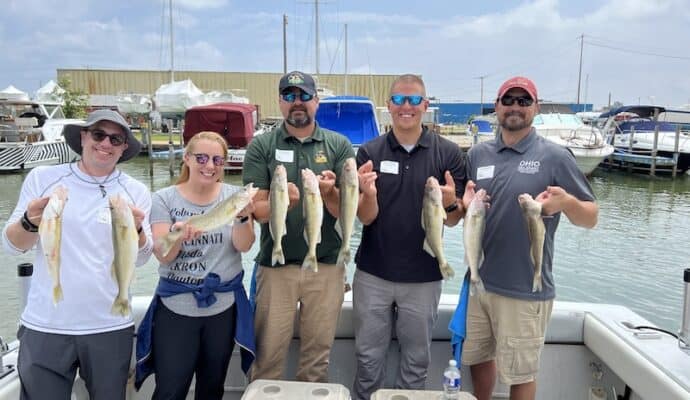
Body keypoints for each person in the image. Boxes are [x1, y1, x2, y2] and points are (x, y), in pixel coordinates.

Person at [461, 76, 599, 400]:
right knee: (478, 359)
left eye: (524, 101)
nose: (515, 107)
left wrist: (566, 203)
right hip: (479, 282)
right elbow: (463, 212)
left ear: (535, 108)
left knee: (521, 374)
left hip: (525, 289)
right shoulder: (478, 154)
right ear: (496, 106)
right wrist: (464, 206)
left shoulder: (555, 156)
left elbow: (591, 217)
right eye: (508, 100)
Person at [1, 109, 152, 400]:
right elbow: (12, 245)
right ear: (83, 137)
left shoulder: (135, 191)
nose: (105, 144)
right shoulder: (43, 178)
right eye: (98, 134)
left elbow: (143, 256)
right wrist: (30, 222)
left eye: (116, 138)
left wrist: (137, 229)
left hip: (109, 325)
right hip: (46, 324)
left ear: (123, 147)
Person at [353, 73, 467, 400]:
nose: (407, 107)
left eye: (415, 100)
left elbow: (454, 221)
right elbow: (365, 216)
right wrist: (368, 193)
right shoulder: (369, 151)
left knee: (416, 361)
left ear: (426, 106)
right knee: (367, 358)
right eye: (400, 100)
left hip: (424, 277)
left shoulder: (448, 154)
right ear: (388, 105)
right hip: (373, 273)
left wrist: (450, 203)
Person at [242, 70, 355, 382]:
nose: (297, 103)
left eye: (304, 95)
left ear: (316, 101)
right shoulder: (261, 146)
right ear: (280, 102)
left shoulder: (339, 145)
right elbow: (257, 211)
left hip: (327, 266)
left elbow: (345, 211)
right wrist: (285, 203)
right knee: (267, 358)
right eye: (289, 96)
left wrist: (331, 192)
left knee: (316, 360)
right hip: (275, 267)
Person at [134, 131, 256, 399]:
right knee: (170, 389)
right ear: (186, 159)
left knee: (212, 388)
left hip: (222, 308)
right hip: (176, 308)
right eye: (201, 157)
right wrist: (177, 237)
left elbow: (244, 245)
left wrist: (244, 219)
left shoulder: (235, 195)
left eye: (217, 160)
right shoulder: (164, 198)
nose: (209, 166)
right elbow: (163, 255)